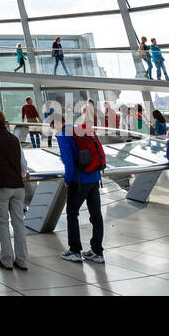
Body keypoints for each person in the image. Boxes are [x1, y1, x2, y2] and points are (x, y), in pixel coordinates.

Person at [57, 107, 105, 263]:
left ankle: (75, 251)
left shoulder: (62, 134)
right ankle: (97, 252)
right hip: (94, 178)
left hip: (79, 181)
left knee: (72, 213)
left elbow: (69, 163)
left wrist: (67, 180)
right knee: (96, 215)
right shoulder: (79, 129)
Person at [0, 109, 29, 271]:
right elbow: (24, 164)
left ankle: (7, 260)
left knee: (2, 223)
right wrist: (22, 173)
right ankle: (22, 260)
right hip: (18, 186)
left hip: (0, 185)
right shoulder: (14, 138)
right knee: (18, 223)